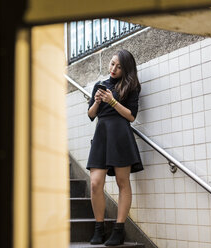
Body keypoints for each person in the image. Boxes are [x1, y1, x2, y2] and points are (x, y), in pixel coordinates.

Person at [87, 49, 143, 246]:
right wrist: (96, 101)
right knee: (95, 183)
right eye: (112, 64)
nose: (113, 69)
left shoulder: (131, 86)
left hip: (120, 135)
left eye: (119, 67)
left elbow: (131, 116)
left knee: (122, 181)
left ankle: (119, 230)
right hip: (102, 134)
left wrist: (112, 101)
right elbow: (91, 115)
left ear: (126, 69)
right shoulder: (99, 86)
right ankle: (99, 227)